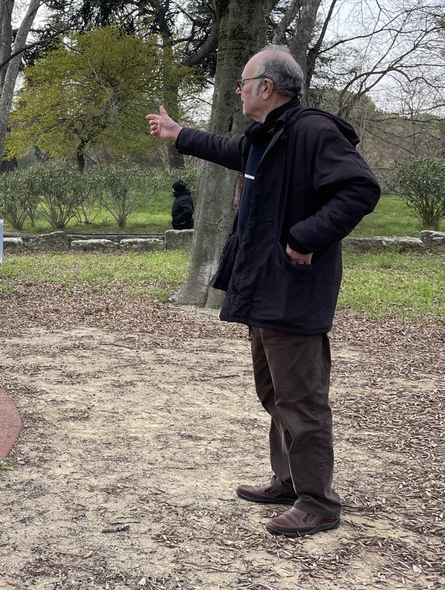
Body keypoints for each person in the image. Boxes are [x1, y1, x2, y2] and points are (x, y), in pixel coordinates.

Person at [146, 45, 380, 538]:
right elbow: (230, 150)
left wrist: (304, 237)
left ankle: (318, 501)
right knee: (275, 392)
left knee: (302, 399)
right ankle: (289, 481)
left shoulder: (313, 131)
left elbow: (360, 190)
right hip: (265, 287)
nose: (238, 89)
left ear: (266, 88)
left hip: (294, 290)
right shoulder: (268, 135)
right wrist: (178, 135)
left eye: (244, 81)